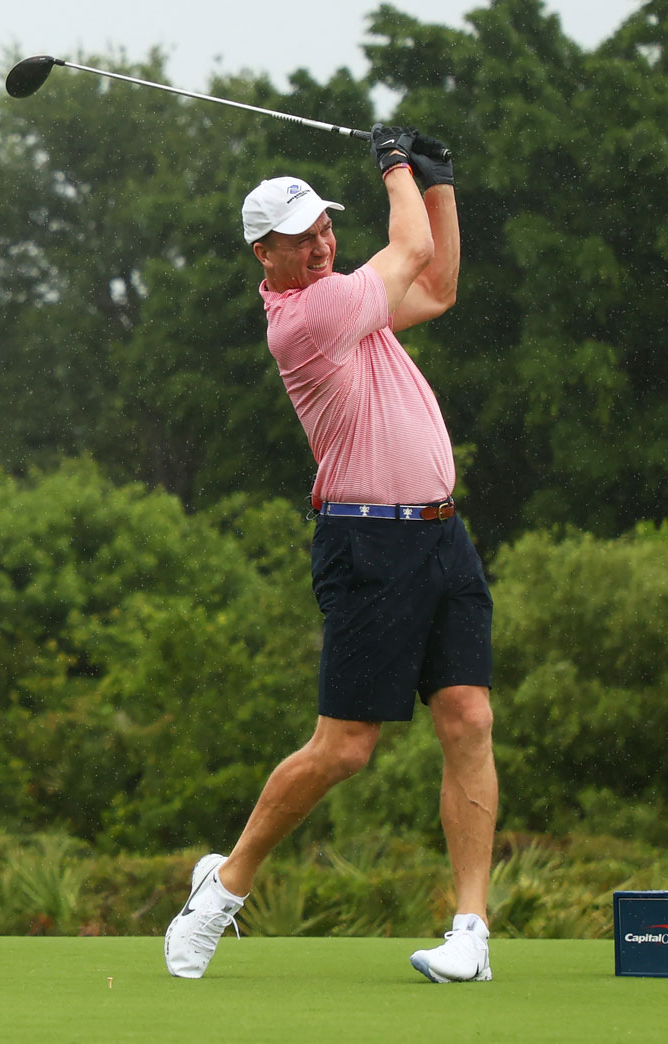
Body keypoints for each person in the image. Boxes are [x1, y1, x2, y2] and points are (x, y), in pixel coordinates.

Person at [164, 127, 497, 981]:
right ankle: (224, 890)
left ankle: (470, 932)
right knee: (346, 748)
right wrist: (396, 165)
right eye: (298, 238)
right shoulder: (310, 318)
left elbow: (442, 283)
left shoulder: (350, 301)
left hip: (440, 535)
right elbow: (410, 246)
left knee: (468, 718)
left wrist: (441, 180)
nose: (319, 246)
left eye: (323, 231)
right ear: (261, 255)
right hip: (368, 545)